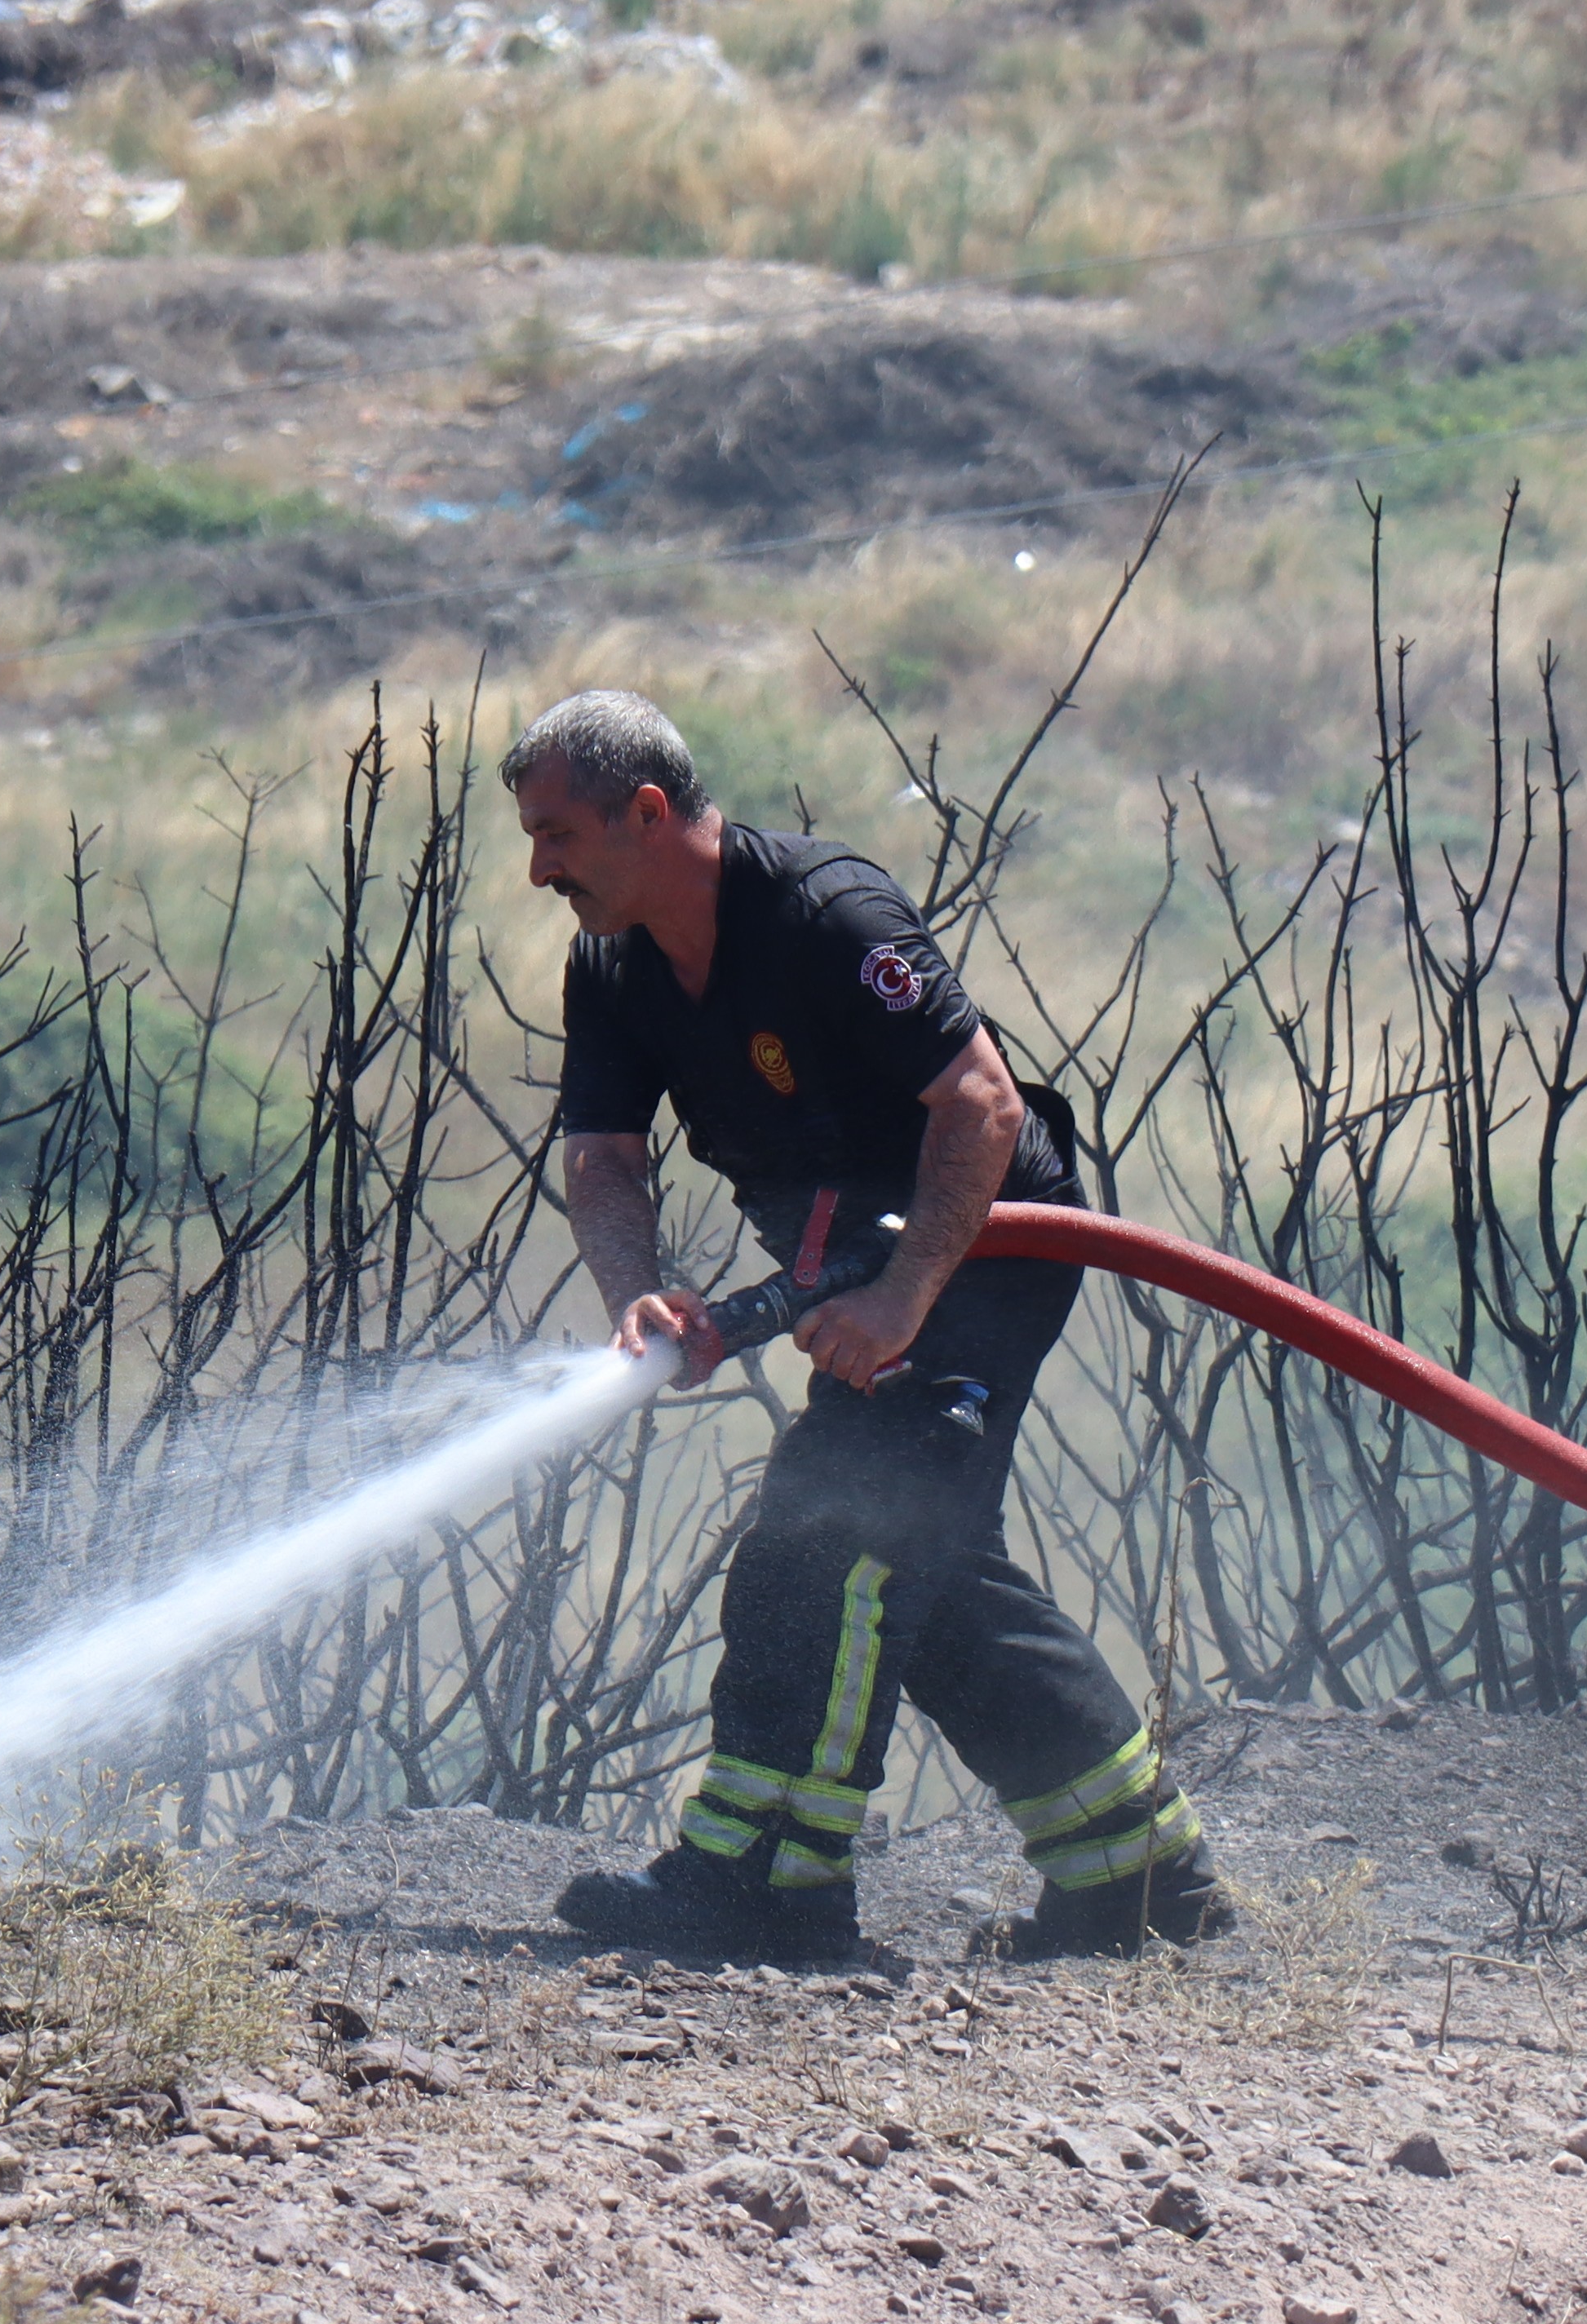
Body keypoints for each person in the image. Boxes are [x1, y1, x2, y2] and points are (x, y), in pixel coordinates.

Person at [504, 689, 1230, 1965]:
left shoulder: (829, 918)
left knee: (831, 1535)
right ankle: (1140, 1878)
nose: (538, 869)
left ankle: (765, 1887)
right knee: (929, 1576)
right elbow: (603, 1160)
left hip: (984, 1250)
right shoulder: (614, 965)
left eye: (556, 834)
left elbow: (981, 1106)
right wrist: (639, 1295)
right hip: (851, 1268)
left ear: (648, 812)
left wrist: (903, 1299)